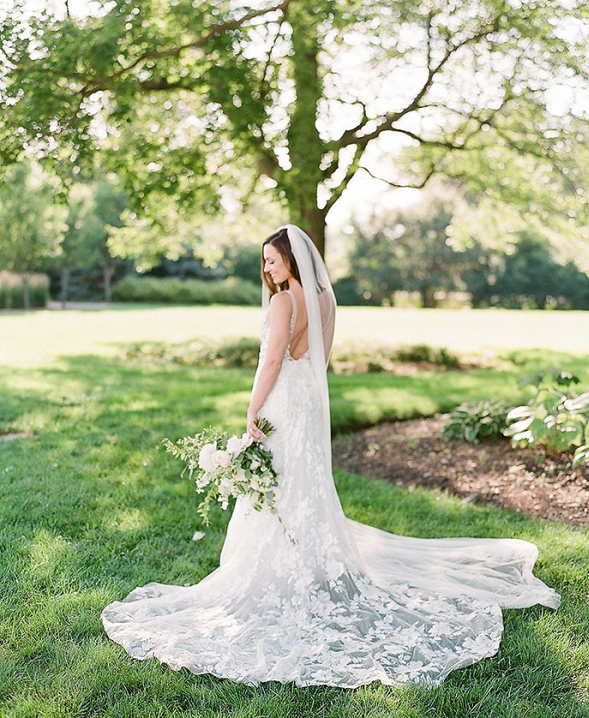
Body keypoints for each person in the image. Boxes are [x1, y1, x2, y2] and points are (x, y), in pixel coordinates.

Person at [101, 223, 560, 688]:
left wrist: (253, 407)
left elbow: (273, 358)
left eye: (272, 260)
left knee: (278, 485)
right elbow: (318, 357)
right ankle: (313, 565)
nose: (266, 268)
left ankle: (275, 574)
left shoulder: (283, 301)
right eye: (264, 261)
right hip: (305, 402)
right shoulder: (325, 299)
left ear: (291, 261)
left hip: (281, 397)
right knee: (303, 482)